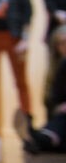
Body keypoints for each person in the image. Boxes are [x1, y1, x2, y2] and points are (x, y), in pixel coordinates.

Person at [16, 25, 66, 155]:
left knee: (56, 134)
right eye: (61, 43)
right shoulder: (58, 68)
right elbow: (52, 100)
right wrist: (59, 108)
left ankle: (35, 139)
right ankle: (38, 139)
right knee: (58, 129)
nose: (64, 46)